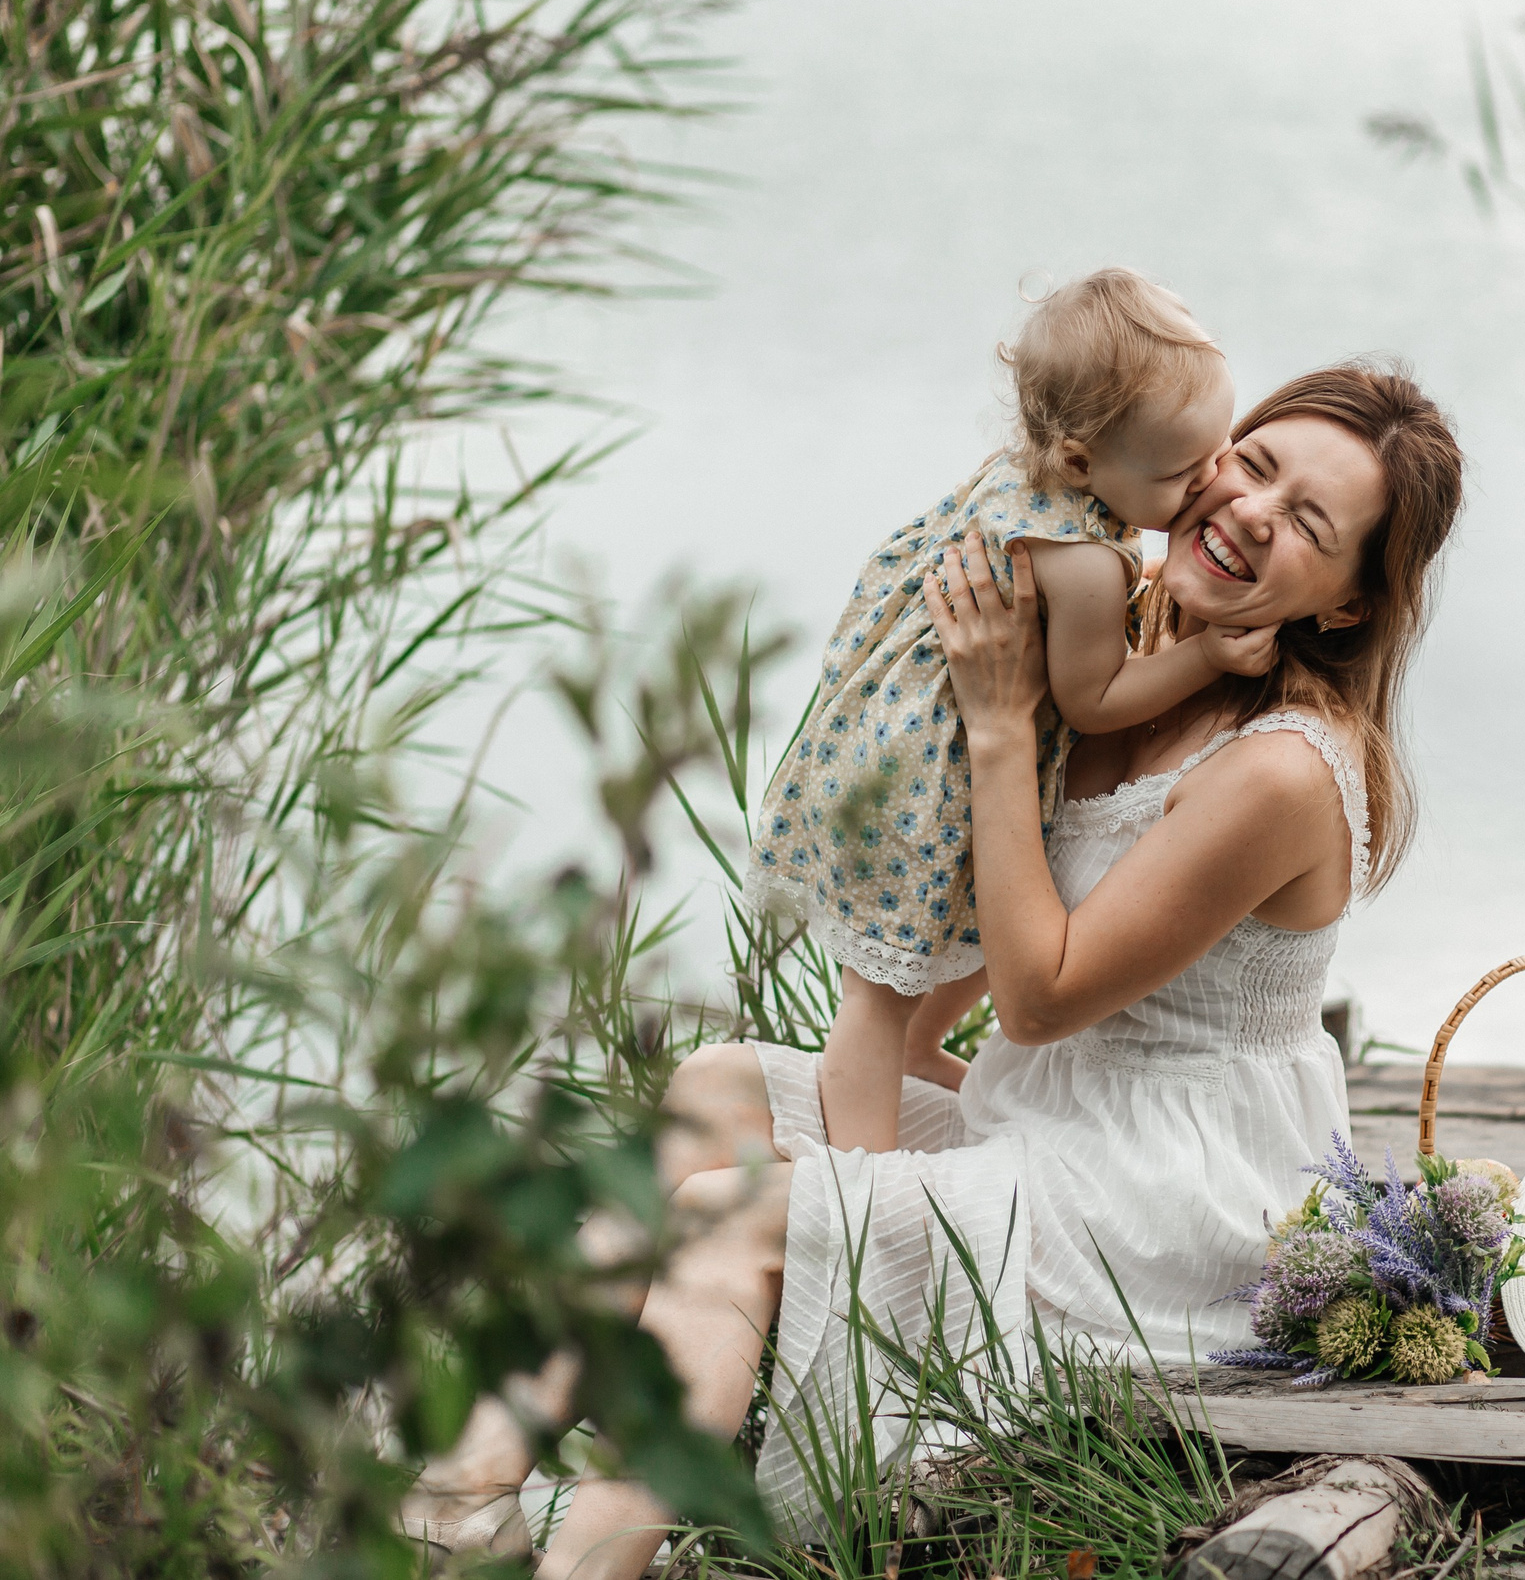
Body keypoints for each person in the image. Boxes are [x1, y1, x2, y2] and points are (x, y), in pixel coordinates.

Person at [403, 362, 1462, 1575]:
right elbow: (967, 944)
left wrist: (1002, 725)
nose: (1253, 511)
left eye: (1309, 523)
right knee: (714, 1087)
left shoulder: (1281, 769)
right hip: (1060, 1125)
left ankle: (587, 1562)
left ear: (1345, 605)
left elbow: (1042, 997)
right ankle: (464, 1496)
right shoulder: (1120, 651)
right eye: (1255, 463)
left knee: (729, 1217)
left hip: (1168, 1205)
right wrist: (907, 1057)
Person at [749, 267, 1279, 1157]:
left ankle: (921, 1060)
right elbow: (1093, 699)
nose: (1212, 479)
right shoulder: (1088, 563)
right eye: (1183, 472)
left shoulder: (1026, 480)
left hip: (889, 737)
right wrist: (1204, 656)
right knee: (874, 1002)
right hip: (935, 780)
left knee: (963, 937)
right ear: (1080, 462)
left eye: (1221, 447)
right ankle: (856, 1185)